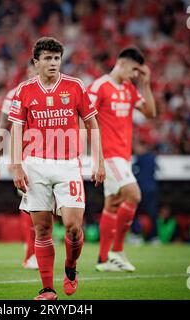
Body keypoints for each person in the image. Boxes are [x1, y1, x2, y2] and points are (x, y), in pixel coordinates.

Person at [9, 37, 105, 300]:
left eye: (56, 58)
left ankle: (71, 266)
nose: (53, 63)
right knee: (42, 230)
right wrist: (16, 166)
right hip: (35, 165)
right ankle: (48, 288)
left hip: (68, 165)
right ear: (36, 62)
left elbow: (92, 124)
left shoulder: (75, 86)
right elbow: (16, 130)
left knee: (73, 228)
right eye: (48, 58)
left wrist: (99, 160)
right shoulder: (24, 90)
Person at [87, 48, 156, 272]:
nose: (136, 74)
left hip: (124, 157)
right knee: (134, 195)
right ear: (122, 63)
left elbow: (150, 113)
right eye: (135, 70)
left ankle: (103, 260)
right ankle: (117, 251)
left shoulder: (129, 89)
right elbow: (83, 116)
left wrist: (145, 84)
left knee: (113, 204)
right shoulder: (99, 86)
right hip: (109, 155)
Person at [0, 60, 38, 270]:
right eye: (35, 68)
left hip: (49, 156)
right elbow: (2, 127)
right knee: (31, 204)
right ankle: (30, 255)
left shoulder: (55, 94)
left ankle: (37, 252)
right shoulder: (15, 94)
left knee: (45, 206)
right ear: (30, 69)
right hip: (24, 157)